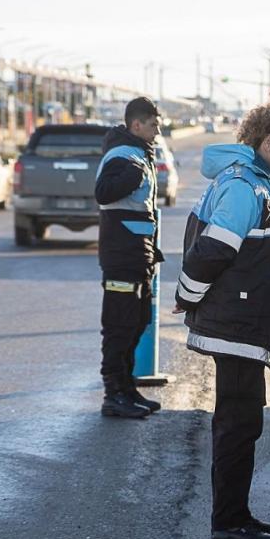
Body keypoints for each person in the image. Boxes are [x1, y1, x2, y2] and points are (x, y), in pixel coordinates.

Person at [174, 99, 270, 539]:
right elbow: (211, 251)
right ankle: (228, 524)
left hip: (245, 327)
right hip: (235, 327)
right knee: (236, 425)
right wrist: (185, 296)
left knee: (243, 424)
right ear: (266, 142)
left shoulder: (260, 182)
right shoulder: (243, 189)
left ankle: (236, 516)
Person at [95, 96, 164, 419]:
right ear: (136, 125)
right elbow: (103, 193)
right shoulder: (123, 156)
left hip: (138, 255)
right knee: (119, 325)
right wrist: (130, 177)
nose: (157, 131)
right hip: (121, 255)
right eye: (153, 125)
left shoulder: (138, 153)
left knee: (138, 321)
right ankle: (113, 395)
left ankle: (127, 387)